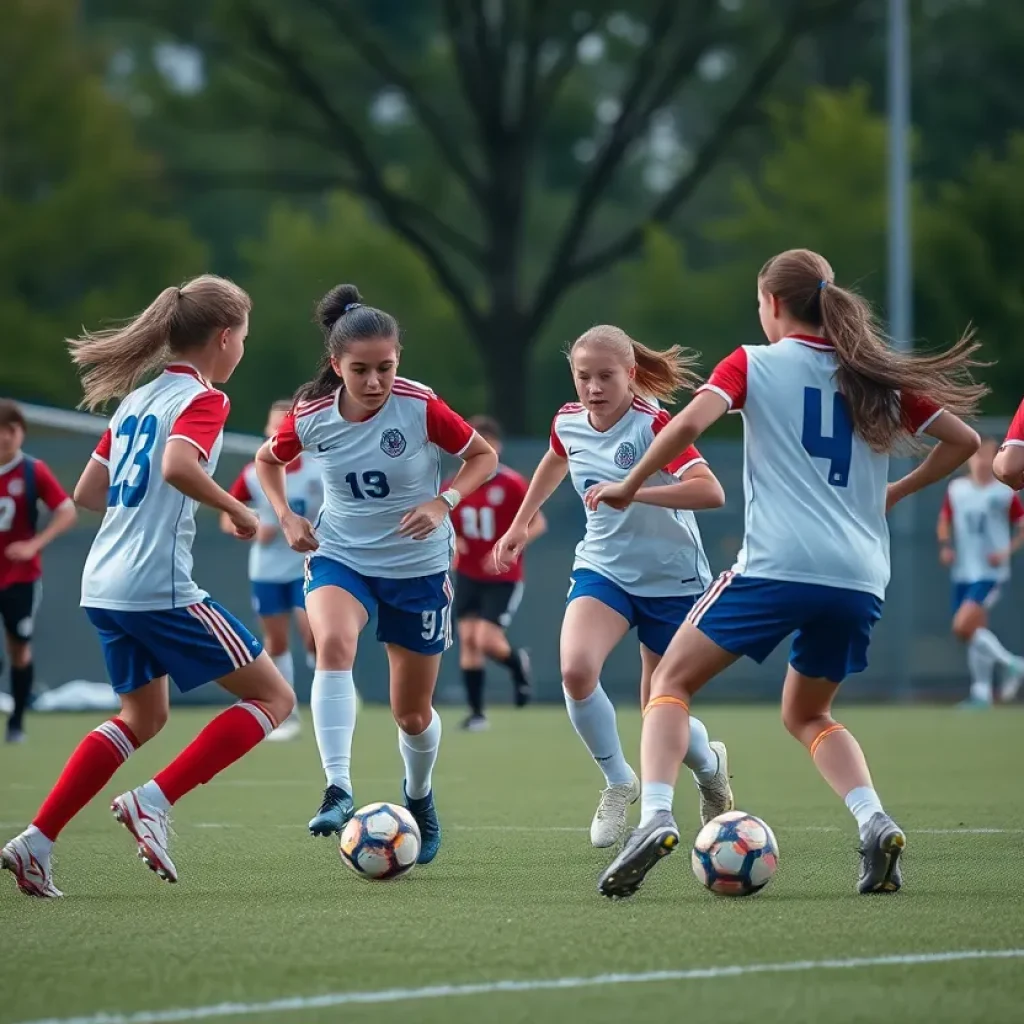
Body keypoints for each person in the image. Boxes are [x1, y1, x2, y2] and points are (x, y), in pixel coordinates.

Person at [588, 249, 984, 899]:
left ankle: (656, 814)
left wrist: (630, 483)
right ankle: (874, 820)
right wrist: (894, 492)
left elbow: (688, 422)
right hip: (860, 578)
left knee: (669, 682)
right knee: (809, 713)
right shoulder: (874, 376)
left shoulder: (753, 362)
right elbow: (965, 442)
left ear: (772, 304)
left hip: (776, 568)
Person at [1, 275, 295, 899]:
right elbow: (178, 466)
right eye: (244, 337)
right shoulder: (205, 399)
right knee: (274, 698)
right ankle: (153, 801)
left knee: (143, 716)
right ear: (224, 337)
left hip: (103, 583)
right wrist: (237, 509)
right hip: (155, 585)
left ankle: (37, 842)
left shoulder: (139, 398)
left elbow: (88, 493)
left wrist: (142, 511)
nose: (243, 348)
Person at [254, 284, 496, 863]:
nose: (374, 381)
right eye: (360, 370)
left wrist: (443, 502)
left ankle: (420, 796)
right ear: (336, 365)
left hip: (417, 567)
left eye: (385, 367)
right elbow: (267, 460)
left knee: (411, 713)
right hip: (341, 555)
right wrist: (286, 516)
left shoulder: (420, 406)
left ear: (398, 360)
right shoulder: (311, 415)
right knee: (333, 643)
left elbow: (482, 457)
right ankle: (337, 787)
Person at [493, 325, 734, 850]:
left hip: (673, 580)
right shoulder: (568, 420)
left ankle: (710, 765)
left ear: (630, 374)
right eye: (584, 377)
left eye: (606, 376)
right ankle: (618, 781)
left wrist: (634, 491)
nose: (594, 387)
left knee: (659, 710)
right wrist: (519, 524)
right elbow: (556, 457)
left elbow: (710, 491)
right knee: (576, 670)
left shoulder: (653, 425)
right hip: (603, 569)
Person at [222, 399, 323, 740]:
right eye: (274, 427)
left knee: (312, 632)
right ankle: (287, 714)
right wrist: (248, 527)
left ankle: (332, 689)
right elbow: (228, 515)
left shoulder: (317, 470)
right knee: (275, 641)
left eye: (285, 427)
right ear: (267, 430)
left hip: (307, 563)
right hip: (267, 568)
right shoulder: (254, 473)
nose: (279, 433)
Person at [448, 415, 542, 730]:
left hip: (502, 576)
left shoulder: (512, 483)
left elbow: (537, 523)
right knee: (468, 640)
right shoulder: (455, 485)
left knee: (486, 640)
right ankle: (477, 713)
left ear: (497, 447)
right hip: (468, 573)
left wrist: (510, 547)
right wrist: (453, 541)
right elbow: (446, 523)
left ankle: (517, 664)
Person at [0, 399, 78, 743]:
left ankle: (17, 722)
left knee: (19, 647)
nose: (6, 437)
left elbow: (66, 510)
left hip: (20, 577)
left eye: (12, 429)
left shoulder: (33, 471)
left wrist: (35, 544)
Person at [938, 437, 1024, 707]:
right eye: (978, 456)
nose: (982, 462)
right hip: (964, 571)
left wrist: (1005, 552)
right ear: (969, 460)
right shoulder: (958, 490)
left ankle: (1013, 664)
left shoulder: (1003, 492)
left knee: (962, 626)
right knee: (974, 632)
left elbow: (1021, 525)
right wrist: (946, 545)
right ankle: (982, 692)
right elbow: (944, 520)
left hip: (990, 573)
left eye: (988, 456)